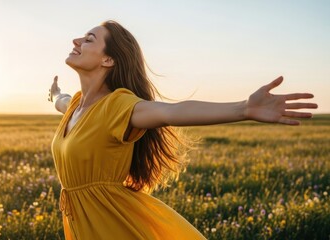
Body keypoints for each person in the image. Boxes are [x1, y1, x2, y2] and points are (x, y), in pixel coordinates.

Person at [48, 20, 317, 240]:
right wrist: (57, 95)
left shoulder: (117, 105)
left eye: (89, 39)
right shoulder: (75, 106)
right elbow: (63, 103)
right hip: (83, 224)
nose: (76, 41)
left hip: (113, 224)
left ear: (108, 60)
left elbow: (170, 113)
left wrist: (243, 109)